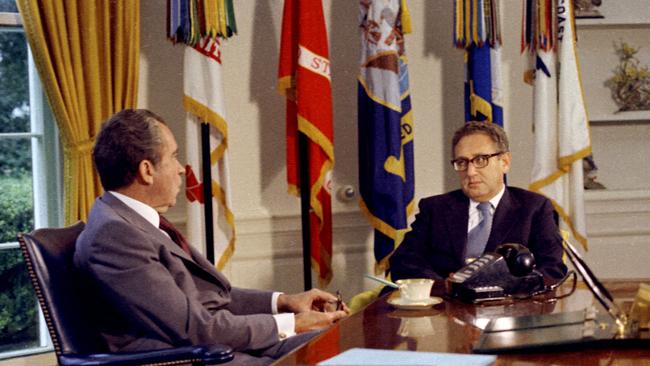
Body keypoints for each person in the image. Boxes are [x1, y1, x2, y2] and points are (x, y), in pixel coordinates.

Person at [74, 109, 348, 365]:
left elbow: (210, 298)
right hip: (189, 357)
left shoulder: (129, 220)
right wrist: (295, 324)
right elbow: (196, 328)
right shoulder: (115, 235)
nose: (181, 169)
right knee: (347, 350)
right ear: (147, 170)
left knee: (348, 340)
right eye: (173, 157)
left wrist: (284, 302)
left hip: (214, 348)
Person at [390, 121, 567, 283]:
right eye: (462, 162)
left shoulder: (534, 208)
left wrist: (499, 286)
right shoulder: (435, 209)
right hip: (445, 307)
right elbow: (404, 262)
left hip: (508, 310)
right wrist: (445, 286)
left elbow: (552, 269)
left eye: (480, 160)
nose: (470, 171)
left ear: (504, 162)